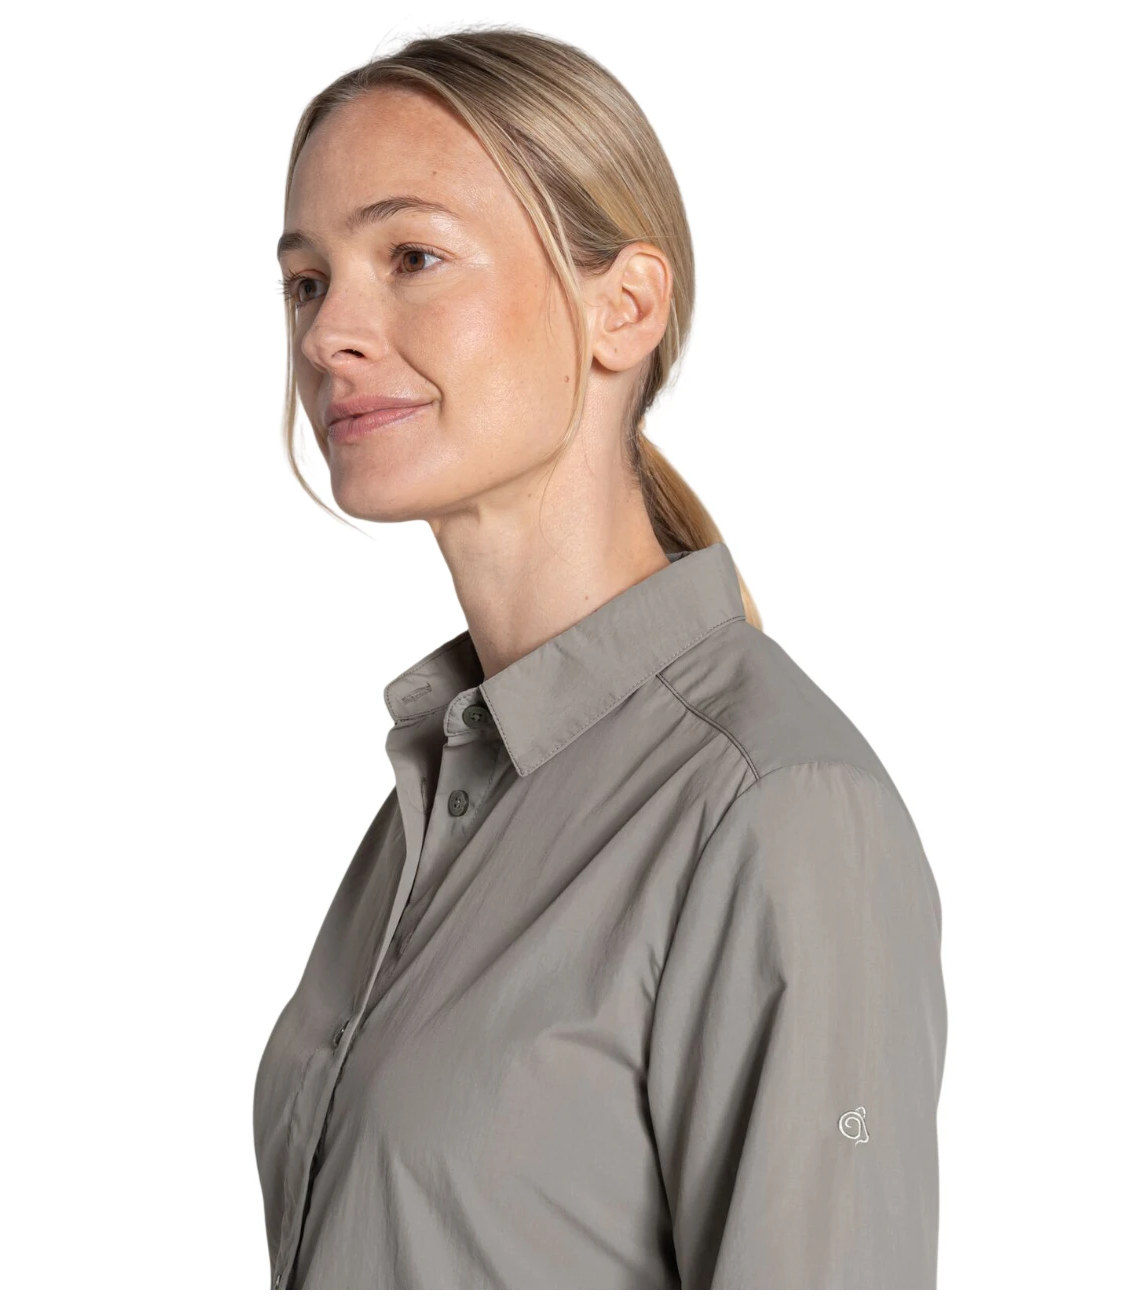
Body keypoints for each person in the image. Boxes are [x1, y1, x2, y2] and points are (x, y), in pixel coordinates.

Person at [252, 24, 947, 1290]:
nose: (328, 332)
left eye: (412, 257)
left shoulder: (773, 810)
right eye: (307, 280)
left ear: (622, 307)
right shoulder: (443, 792)